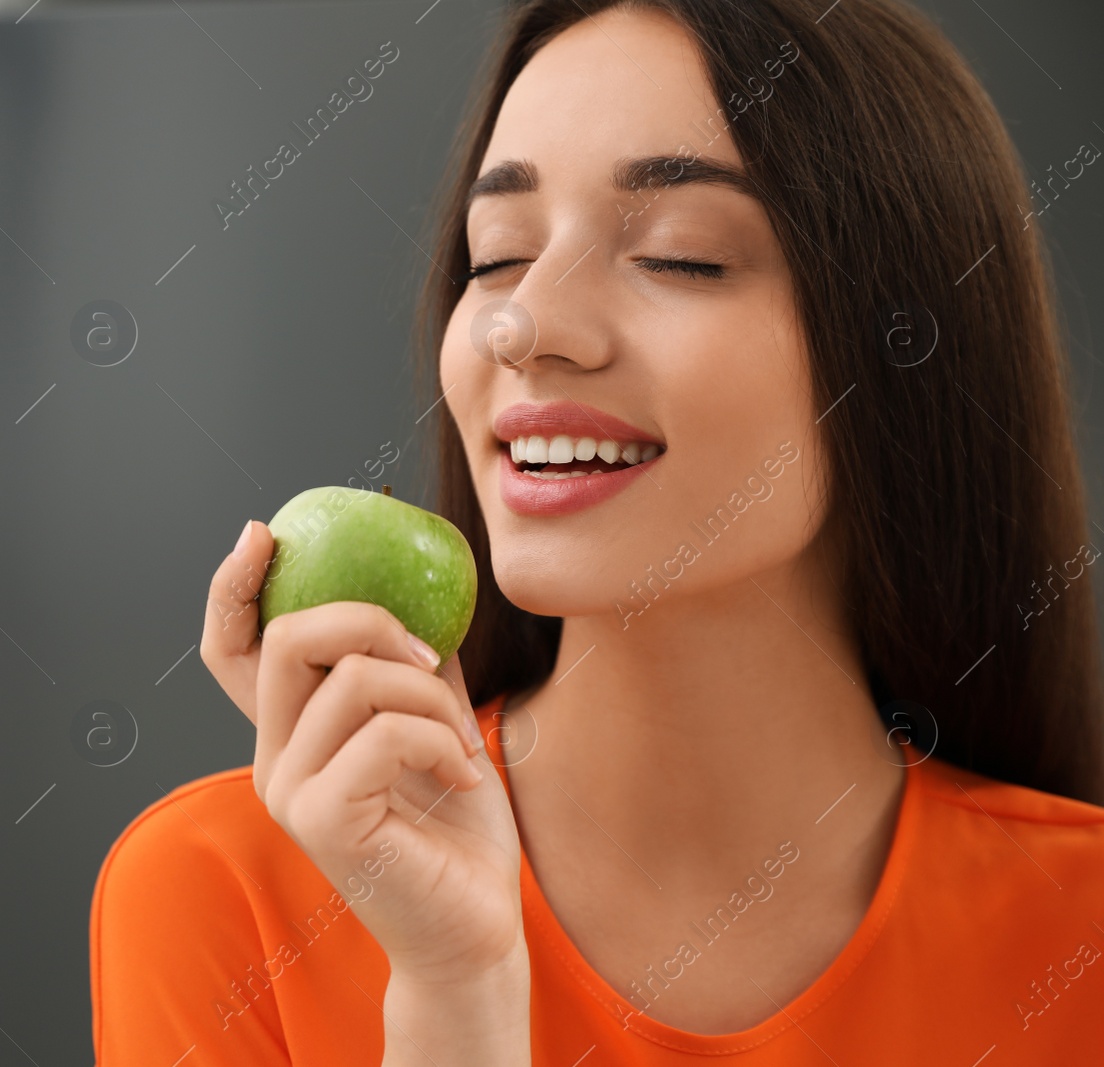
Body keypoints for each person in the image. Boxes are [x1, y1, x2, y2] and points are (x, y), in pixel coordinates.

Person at [91, 0, 1104, 1062]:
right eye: (498, 255)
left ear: (904, 351)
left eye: (680, 256)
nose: (522, 322)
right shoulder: (222, 887)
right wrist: (456, 992)